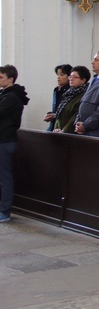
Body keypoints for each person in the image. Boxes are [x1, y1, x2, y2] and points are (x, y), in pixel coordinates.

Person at [0, 65, 29, 223]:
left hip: (5, 140)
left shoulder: (11, 97)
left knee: (4, 177)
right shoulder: (5, 94)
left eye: (1, 77)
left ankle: (5, 211)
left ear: (11, 79)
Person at [53, 66, 90, 133]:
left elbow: (75, 116)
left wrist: (64, 131)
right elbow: (60, 114)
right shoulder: (68, 93)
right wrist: (56, 128)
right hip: (59, 132)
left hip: (71, 134)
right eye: (70, 76)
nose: (71, 79)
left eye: (75, 77)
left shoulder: (85, 95)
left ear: (83, 80)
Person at [44, 64, 72, 131]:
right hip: (53, 126)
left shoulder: (72, 91)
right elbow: (57, 108)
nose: (58, 77)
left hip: (64, 127)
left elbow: (68, 112)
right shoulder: (57, 90)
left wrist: (55, 115)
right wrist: (50, 115)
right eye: (57, 74)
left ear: (69, 76)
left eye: (62, 75)